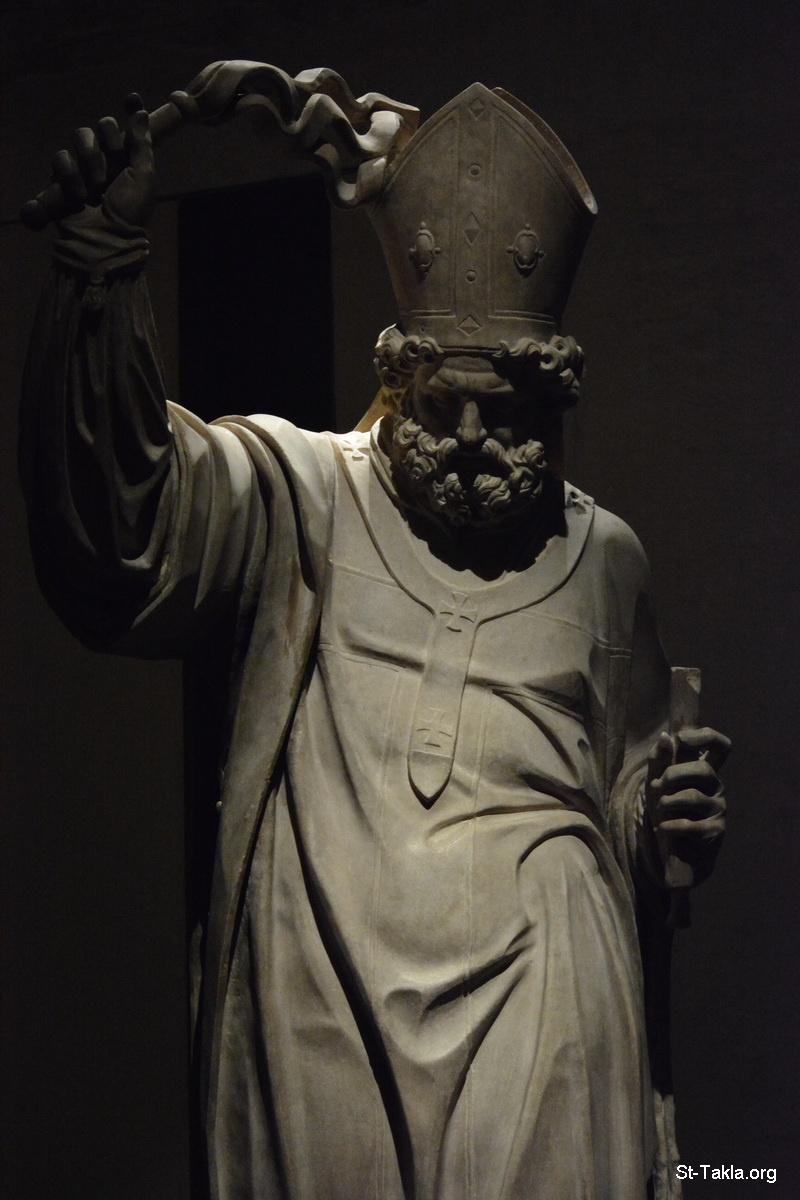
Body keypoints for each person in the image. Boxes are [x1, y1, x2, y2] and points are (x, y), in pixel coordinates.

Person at [20, 72, 729, 1200]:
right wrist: (104, 266)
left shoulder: (605, 558)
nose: (470, 436)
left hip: (549, 998)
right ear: (396, 378)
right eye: (442, 402)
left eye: (505, 410)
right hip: (323, 989)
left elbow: (630, 781)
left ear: (552, 401)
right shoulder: (299, 496)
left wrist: (663, 815)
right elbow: (127, 529)